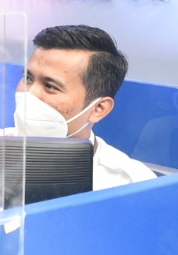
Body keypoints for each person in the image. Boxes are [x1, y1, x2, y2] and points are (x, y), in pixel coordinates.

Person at [12, 24, 157, 190]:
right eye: (28, 78)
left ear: (98, 109)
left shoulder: (131, 184)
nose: (30, 94)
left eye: (50, 86)